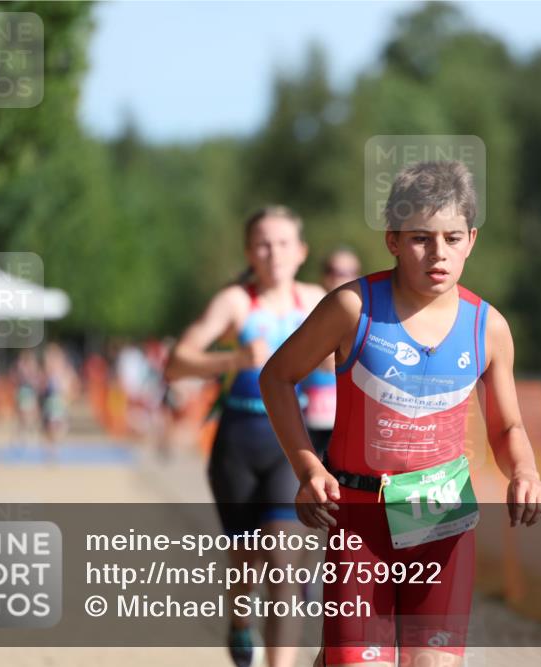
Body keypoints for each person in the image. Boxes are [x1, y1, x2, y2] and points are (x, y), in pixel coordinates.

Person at [260, 161, 541, 667]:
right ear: (393, 239)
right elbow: (277, 377)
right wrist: (309, 469)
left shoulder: (488, 327)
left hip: (439, 516)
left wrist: (525, 472)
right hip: (358, 518)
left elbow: (507, 426)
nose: (438, 253)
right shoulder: (353, 308)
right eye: (421, 237)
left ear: (471, 240)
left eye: (452, 237)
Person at [165, 205, 326, 667]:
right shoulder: (236, 302)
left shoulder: (316, 301)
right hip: (238, 442)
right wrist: (233, 360)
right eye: (262, 243)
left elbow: (348, 360)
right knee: (247, 559)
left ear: (300, 252)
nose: (272, 252)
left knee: (283, 560)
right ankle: (239, 621)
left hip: (289, 442)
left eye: (281, 243)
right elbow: (176, 362)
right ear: (249, 252)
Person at [302, 247, 362, 457]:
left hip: (347, 418)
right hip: (310, 415)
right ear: (324, 276)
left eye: (347, 272)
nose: (339, 278)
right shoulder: (307, 310)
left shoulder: (366, 317)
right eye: (333, 271)